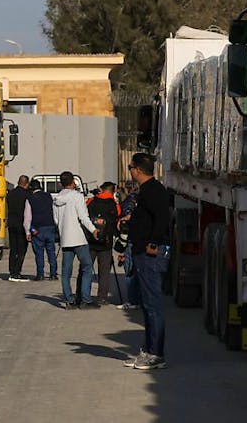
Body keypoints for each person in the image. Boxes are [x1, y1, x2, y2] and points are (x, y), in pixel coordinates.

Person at [122, 153, 171, 370]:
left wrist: (153, 241)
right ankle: (148, 350)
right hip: (142, 252)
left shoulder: (154, 191)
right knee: (147, 305)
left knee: (153, 305)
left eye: (131, 167)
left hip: (150, 254)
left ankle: (156, 354)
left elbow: (162, 218)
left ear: (138, 170)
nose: (130, 171)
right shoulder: (147, 191)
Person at [53, 171, 99, 309]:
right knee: (87, 267)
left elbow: (56, 220)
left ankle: (69, 300)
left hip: (65, 239)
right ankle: (85, 299)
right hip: (78, 238)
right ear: (73, 181)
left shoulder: (56, 199)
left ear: (61, 183)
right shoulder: (77, 197)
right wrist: (93, 230)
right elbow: (83, 217)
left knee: (66, 272)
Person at [86, 182, 121, 304]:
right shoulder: (114, 205)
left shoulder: (91, 201)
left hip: (90, 240)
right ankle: (102, 297)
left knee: (85, 269)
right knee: (105, 271)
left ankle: (83, 294)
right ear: (113, 191)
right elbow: (117, 222)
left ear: (101, 189)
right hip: (106, 243)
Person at [24, 180, 58, 281]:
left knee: (39, 253)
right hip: (49, 226)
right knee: (51, 252)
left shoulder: (30, 199)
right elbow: (54, 211)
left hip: (37, 228)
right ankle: (53, 274)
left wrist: (28, 231)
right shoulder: (49, 196)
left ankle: (40, 274)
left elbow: (27, 217)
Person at [116, 180, 141, 310]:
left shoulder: (128, 202)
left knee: (129, 271)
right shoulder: (141, 200)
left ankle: (132, 300)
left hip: (130, 240)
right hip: (140, 239)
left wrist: (122, 245)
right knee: (138, 270)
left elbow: (125, 224)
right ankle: (139, 299)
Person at [6, 175, 31, 282]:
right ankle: (17, 272)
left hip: (11, 224)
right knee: (21, 250)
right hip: (21, 224)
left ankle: (11, 271)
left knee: (13, 249)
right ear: (26, 184)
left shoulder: (10, 194)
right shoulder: (27, 194)